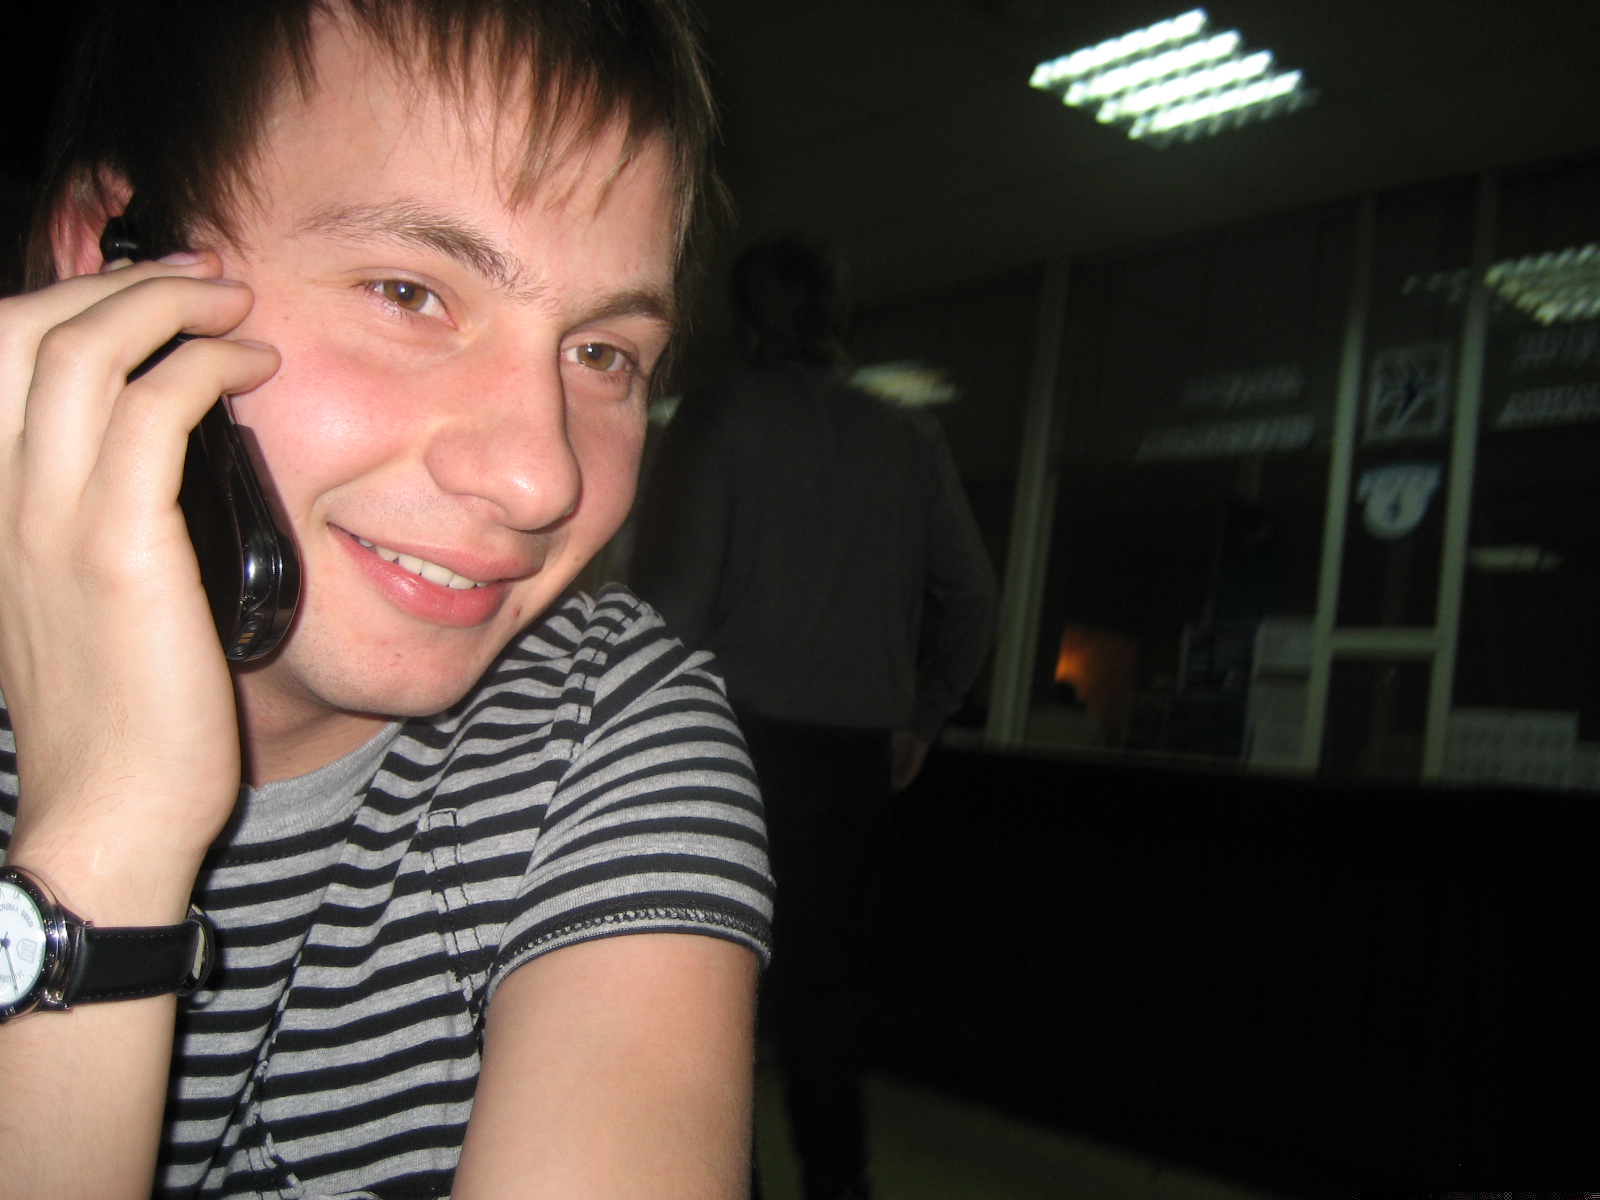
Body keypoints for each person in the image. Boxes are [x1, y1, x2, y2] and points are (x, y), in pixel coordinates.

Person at [0, 1, 772, 1197]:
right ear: (111, 255)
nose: (541, 478)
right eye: (409, 293)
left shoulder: (600, 727)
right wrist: (106, 833)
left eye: (601, 354)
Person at [631, 234, 998, 1200]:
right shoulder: (910, 437)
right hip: (854, 766)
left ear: (748, 322)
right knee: (824, 1004)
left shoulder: (719, 416)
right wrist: (925, 715)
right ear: (840, 315)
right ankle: (841, 1186)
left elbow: (672, 611)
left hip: (731, 753)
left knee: (719, 1006)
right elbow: (975, 599)